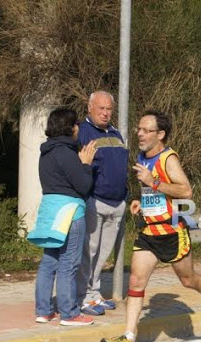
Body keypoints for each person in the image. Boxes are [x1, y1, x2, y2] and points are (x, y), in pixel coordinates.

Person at [101, 110, 201, 342]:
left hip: (173, 231)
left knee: (189, 280)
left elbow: (186, 191)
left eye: (146, 130)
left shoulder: (168, 158)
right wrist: (141, 201)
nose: (139, 134)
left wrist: (153, 183)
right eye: (139, 129)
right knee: (136, 283)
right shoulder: (143, 156)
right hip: (150, 231)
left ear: (160, 134)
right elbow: (154, 191)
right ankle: (129, 339)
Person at [27, 108, 97, 326]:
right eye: (76, 124)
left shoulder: (46, 152)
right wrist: (86, 165)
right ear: (71, 127)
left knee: (49, 261)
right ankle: (70, 313)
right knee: (69, 263)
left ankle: (44, 311)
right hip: (69, 212)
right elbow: (84, 186)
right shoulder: (66, 154)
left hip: (50, 212)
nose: (78, 128)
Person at [76, 91, 129, 316]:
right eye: (101, 108)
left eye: (109, 109)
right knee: (89, 251)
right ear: (90, 108)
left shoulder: (116, 133)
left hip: (117, 204)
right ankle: (83, 297)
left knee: (103, 253)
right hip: (95, 202)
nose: (106, 113)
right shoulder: (82, 131)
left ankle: (94, 292)